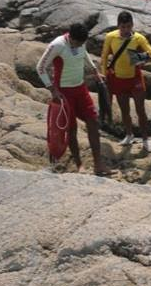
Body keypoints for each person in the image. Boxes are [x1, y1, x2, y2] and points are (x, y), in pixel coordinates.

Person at [37, 23, 108, 175]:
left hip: (80, 88)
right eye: (78, 43)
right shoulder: (58, 45)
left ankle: (98, 164)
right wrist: (52, 89)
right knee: (72, 129)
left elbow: (84, 53)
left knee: (93, 122)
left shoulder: (81, 42)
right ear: (71, 37)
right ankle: (79, 164)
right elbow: (40, 67)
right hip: (63, 92)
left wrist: (94, 70)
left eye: (83, 43)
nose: (80, 45)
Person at [101, 11, 151, 153]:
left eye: (128, 26)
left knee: (140, 110)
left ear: (132, 25)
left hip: (135, 78)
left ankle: (146, 139)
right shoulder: (111, 37)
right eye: (123, 27)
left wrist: (144, 56)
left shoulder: (138, 38)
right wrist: (103, 75)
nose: (126, 30)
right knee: (124, 110)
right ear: (118, 26)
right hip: (118, 78)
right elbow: (104, 57)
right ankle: (129, 135)